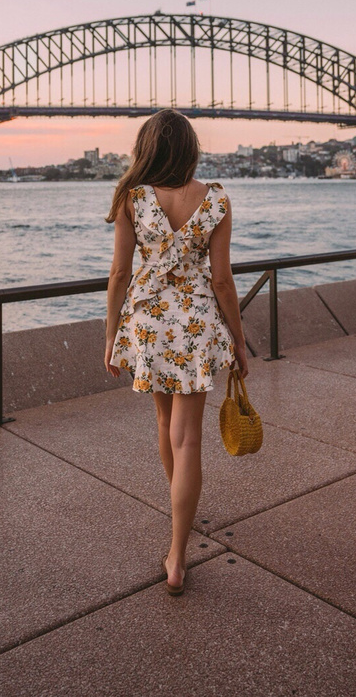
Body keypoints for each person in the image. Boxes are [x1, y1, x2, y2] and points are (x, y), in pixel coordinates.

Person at [104, 108, 248, 595]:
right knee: (189, 438)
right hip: (196, 326)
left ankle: (176, 530)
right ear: (191, 149)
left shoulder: (131, 199)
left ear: (146, 149)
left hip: (149, 326)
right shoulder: (216, 201)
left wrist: (111, 337)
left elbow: (120, 275)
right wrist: (240, 341)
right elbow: (223, 281)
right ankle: (179, 553)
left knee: (165, 427)